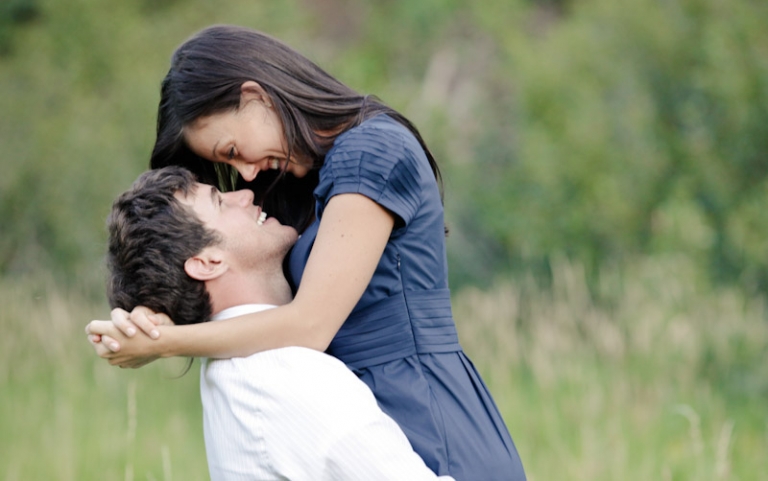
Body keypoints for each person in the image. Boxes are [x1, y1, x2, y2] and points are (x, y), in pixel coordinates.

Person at [87, 24, 526, 480]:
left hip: (425, 419)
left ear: (256, 97)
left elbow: (310, 324)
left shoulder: (372, 151)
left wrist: (166, 343)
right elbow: (222, 268)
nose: (246, 175)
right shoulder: (297, 180)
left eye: (233, 150)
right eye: (227, 164)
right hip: (351, 425)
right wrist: (158, 314)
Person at [103, 166, 454, 480]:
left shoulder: (234, 371)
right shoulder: (284, 376)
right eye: (220, 202)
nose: (244, 195)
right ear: (207, 263)